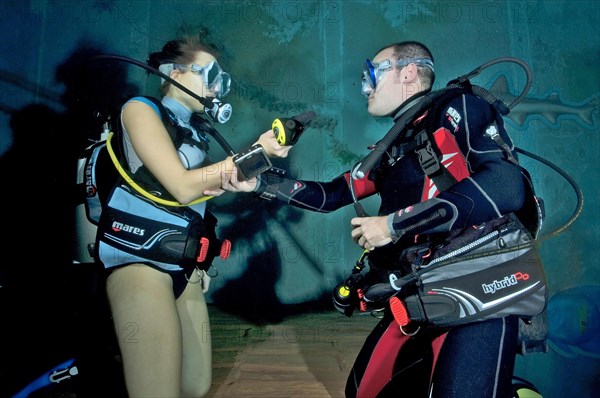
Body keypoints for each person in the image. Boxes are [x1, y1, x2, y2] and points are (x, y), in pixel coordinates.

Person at [221, 41, 538, 397]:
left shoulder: (459, 107)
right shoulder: (392, 146)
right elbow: (332, 195)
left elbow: (506, 188)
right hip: (422, 293)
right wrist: (260, 182)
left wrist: (393, 225)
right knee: (362, 391)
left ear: (408, 73)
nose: (364, 87)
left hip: (479, 295)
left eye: (371, 74)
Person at [94, 36, 290, 397]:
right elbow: (182, 187)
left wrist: (238, 182)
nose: (217, 87)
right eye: (210, 74)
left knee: (195, 386)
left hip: (182, 267)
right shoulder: (139, 110)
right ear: (173, 72)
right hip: (140, 263)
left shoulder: (197, 131)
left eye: (223, 79)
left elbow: (194, 199)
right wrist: (257, 152)